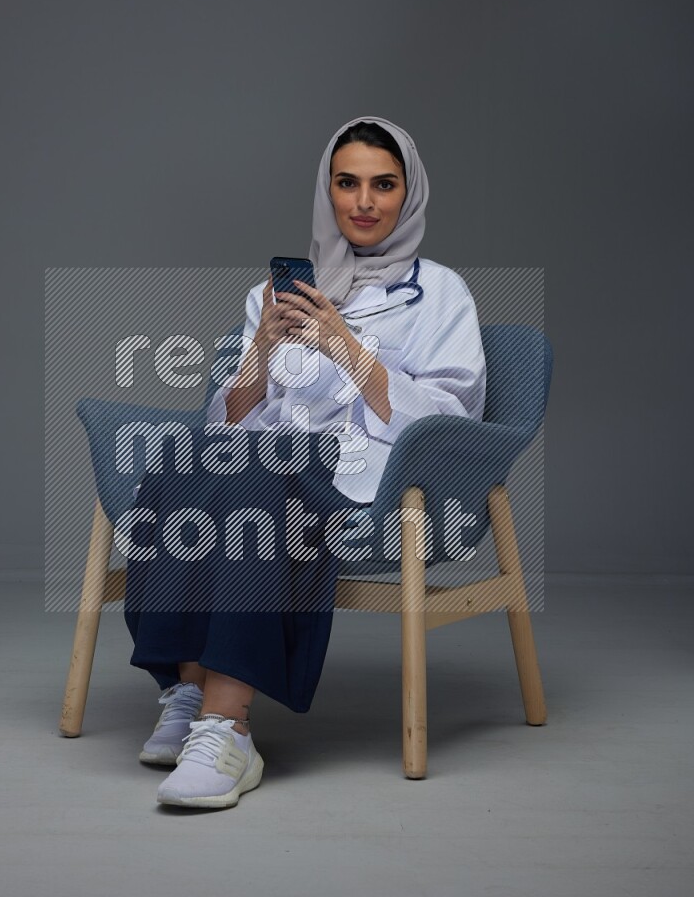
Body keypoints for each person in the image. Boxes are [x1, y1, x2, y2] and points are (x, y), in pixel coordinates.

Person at [123, 115, 486, 810]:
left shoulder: (440, 292)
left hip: (372, 478)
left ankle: (227, 727)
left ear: (408, 194)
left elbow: (450, 417)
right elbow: (228, 420)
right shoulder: (276, 294)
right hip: (278, 456)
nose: (364, 202)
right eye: (346, 183)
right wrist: (260, 346)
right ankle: (187, 688)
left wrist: (347, 345)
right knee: (181, 458)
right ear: (327, 190)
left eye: (384, 184)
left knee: (259, 477)